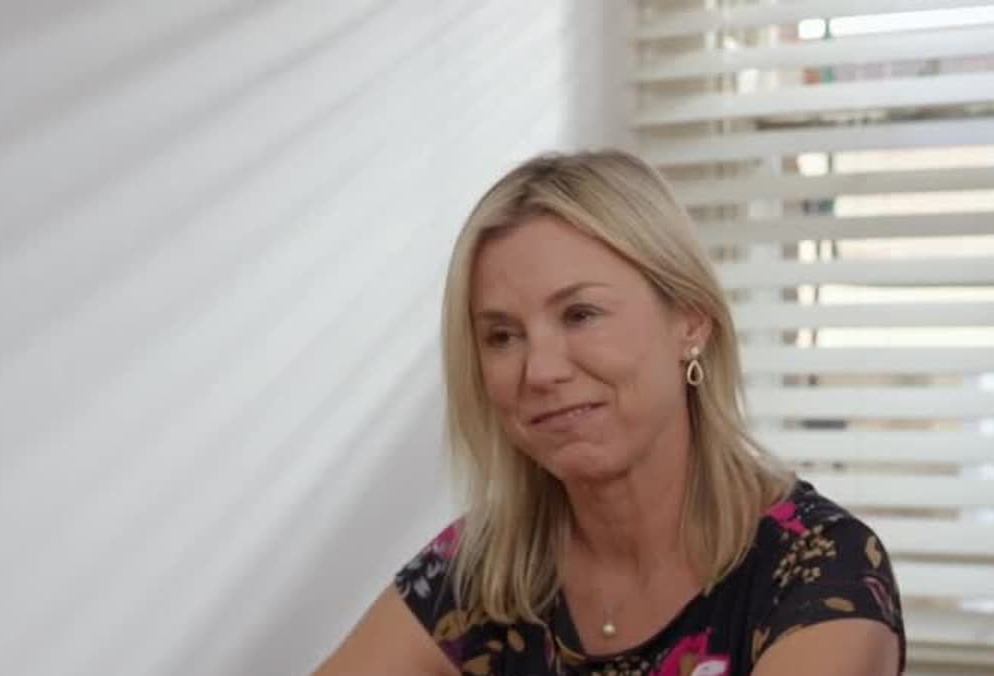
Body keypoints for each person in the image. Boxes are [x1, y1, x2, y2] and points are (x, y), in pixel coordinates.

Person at [315, 150, 905, 675]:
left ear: (690, 321)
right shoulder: (482, 572)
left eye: (580, 315)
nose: (540, 370)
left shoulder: (821, 570)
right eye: (502, 336)